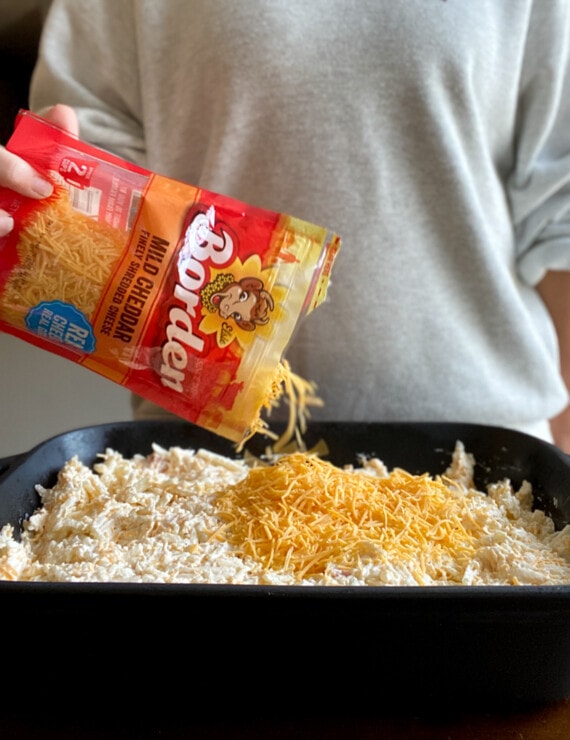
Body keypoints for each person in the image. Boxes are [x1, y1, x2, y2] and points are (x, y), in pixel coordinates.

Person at [0, 0, 569, 452]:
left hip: (488, 465)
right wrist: (29, 213)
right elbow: (80, 191)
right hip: (200, 474)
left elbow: (561, 211)